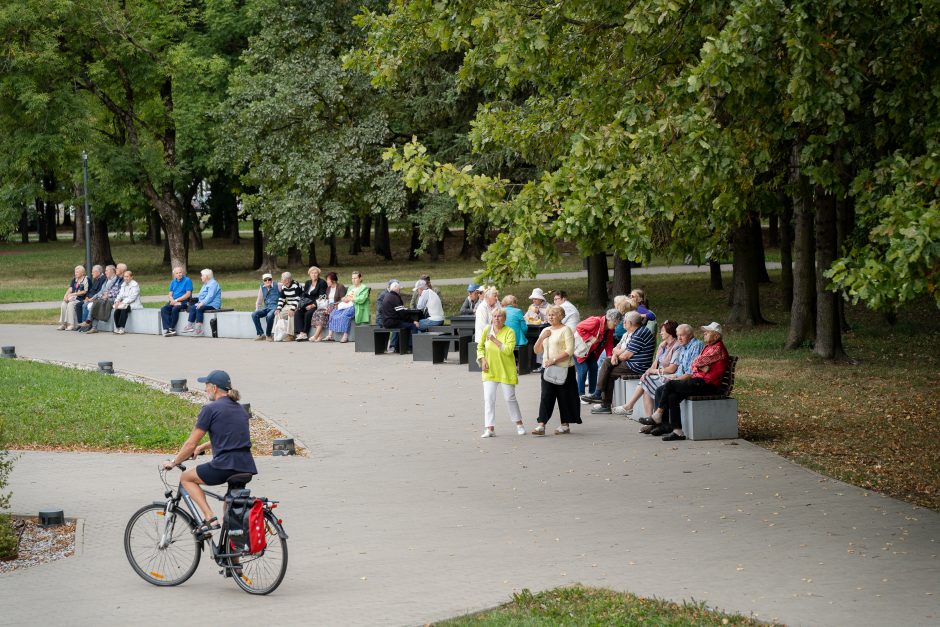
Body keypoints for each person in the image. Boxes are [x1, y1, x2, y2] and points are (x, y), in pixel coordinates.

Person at [160, 370, 257, 538]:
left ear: (213, 388)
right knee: (230, 510)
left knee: (186, 478)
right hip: (245, 466)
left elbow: (190, 443)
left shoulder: (210, 409)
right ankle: (233, 559)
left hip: (225, 465)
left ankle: (209, 517)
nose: (205, 389)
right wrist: (201, 448)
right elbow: (229, 437)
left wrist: (174, 462)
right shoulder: (240, 410)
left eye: (206, 386)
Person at [644, 322, 729, 441]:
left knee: (670, 385)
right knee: (672, 396)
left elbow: (696, 363)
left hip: (707, 384)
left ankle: (658, 414)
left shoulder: (717, 348)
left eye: (707, 332)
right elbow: (695, 363)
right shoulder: (709, 347)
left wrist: (699, 365)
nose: (704, 334)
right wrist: (701, 366)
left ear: (716, 336)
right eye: (705, 332)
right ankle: (677, 431)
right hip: (699, 381)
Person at [584, 311, 655, 414]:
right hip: (631, 363)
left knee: (608, 373)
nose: (623, 323)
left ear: (630, 323)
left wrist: (616, 356)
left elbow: (626, 355)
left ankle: (603, 401)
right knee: (607, 363)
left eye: (625, 321)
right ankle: (600, 396)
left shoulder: (640, 333)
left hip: (637, 366)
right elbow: (617, 348)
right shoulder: (635, 332)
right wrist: (614, 355)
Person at [637, 323, 704, 423]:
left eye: (682, 335)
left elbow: (690, 373)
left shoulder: (696, 346)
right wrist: (672, 377)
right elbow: (679, 370)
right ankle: (658, 423)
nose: (679, 338)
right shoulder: (684, 346)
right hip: (680, 377)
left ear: (690, 335)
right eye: (678, 335)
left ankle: (656, 420)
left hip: (692, 381)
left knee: (664, 389)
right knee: (659, 389)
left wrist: (673, 379)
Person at [531, 305, 580, 435]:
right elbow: (536, 350)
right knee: (546, 396)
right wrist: (542, 337)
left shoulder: (566, 330)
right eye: (549, 315)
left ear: (560, 316)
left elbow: (569, 351)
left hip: (564, 368)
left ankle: (565, 424)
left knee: (564, 397)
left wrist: (553, 360)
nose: (550, 317)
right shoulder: (546, 330)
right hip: (547, 369)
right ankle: (541, 424)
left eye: (553, 314)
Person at [477, 308, 526, 437]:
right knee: (489, 399)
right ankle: (489, 428)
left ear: (504, 319)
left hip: (505, 370)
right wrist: (482, 360)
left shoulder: (509, 331)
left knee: (510, 398)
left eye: (499, 316)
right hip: (490, 370)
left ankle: (519, 424)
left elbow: (509, 350)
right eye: (494, 316)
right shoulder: (487, 329)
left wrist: (494, 340)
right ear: (491, 318)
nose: (497, 319)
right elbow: (480, 347)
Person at [614, 320, 679, 417]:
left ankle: (629, 406)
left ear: (669, 332)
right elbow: (655, 363)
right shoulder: (663, 345)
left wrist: (653, 371)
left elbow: (671, 369)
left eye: (662, 331)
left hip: (669, 375)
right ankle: (648, 420)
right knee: (646, 382)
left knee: (645, 383)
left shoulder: (677, 346)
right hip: (659, 374)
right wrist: (648, 371)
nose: (660, 333)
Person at [574, 309, 623, 399]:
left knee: (594, 368)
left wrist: (609, 356)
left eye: (617, 322)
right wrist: (589, 337)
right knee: (583, 370)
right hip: (579, 350)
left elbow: (609, 343)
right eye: (615, 322)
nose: (616, 325)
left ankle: (592, 393)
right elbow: (579, 327)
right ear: (608, 318)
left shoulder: (610, 329)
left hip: (590, 351)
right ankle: (580, 394)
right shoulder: (596, 321)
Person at [326, 271, 370, 342]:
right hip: (346, 305)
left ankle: (345, 336)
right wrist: (344, 298)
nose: (353, 280)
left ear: (360, 278)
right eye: (352, 278)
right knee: (333, 312)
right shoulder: (351, 287)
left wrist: (351, 299)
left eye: (355, 278)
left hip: (356, 306)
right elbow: (346, 296)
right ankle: (330, 335)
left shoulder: (364, 288)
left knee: (345, 315)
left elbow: (362, 299)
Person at [85, 264, 124, 334]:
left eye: (106, 270)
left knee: (97, 303)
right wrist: (93, 298)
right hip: (106, 298)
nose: (105, 272)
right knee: (96, 303)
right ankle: (91, 324)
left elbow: (118, 291)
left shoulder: (118, 279)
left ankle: (89, 322)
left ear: (112, 271)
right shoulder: (109, 280)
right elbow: (102, 291)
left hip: (113, 299)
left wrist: (107, 295)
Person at [182, 269, 222, 336]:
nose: (201, 277)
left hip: (213, 304)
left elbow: (210, 296)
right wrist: (194, 301)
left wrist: (202, 303)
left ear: (206, 276)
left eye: (202, 275)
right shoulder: (205, 284)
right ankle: (189, 326)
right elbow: (200, 295)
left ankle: (198, 330)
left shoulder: (213, 284)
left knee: (199, 308)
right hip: (205, 303)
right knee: (192, 307)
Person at [309, 272, 345, 342]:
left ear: (333, 280)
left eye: (328, 280)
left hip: (336, 305)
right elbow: (327, 299)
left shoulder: (340, 287)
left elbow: (342, 300)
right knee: (316, 312)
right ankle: (320, 336)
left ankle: (316, 335)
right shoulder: (328, 288)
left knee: (323, 314)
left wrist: (331, 306)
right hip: (328, 305)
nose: (327, 281)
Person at [294, 266, 327, 341]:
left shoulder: (322, 283)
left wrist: (313, 305)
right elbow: (305, 294)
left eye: (316, 273)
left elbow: (322, 297)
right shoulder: (308, 282)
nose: (314, 275)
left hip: (316, 303)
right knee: (298, 312)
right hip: (306, 303)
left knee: (308, 313)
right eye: (312, 273)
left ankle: (305, 332)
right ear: (309, 274)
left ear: (318, 274)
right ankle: (300, 333)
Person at [160, 267, 194, 337]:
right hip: (174, 301)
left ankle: (172, 328)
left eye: (180, 272)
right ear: (174, 275)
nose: (179, 274)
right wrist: (172, 301)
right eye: (177, 273)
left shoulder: (187, 280)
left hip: (184, 301)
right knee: (164, 309)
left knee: (175, 308)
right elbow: (170, 294)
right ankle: (167, 329)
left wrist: (176, 301)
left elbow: (188, 294)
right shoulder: (173, 282)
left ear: (183, 273)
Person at [380, 281, 413, 352]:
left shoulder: (387, 296)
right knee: (412, 326)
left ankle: (398, 347)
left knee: (405, 324)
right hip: (392, 322)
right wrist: (412, 320)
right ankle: (410, 348)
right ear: (397, 289)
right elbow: (401, 313)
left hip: (385, 322)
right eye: (399, 289)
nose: (399, 290)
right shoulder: (395, 298)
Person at [76, 265, 110, 331]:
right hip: (90, 298)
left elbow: (99, 292)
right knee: (79, 305)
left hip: (96, 299)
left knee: (84, 305)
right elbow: (91, 290)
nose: (92, 273)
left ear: (98, 272)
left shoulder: (103, 279)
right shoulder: (96, 279)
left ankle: (87, 325)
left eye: (93, 272)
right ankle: (81, 324)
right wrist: (87, 297)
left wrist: (90, 299)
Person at [57, 265, 89, 331]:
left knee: (70, 304)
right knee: (63, 304)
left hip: (80, 299)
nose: (75, 273)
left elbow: (85, 291)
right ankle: (63, 324)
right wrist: (65, 296)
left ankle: (71, 324)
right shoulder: (74, 280)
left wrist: (74, 294)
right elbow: (70, 289)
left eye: (77, 272)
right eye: (75, 272)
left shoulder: (86, 279)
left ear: (82, 273)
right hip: (72, 298)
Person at [112, 269, 142, 334]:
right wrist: (117, 301)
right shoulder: (123, 284)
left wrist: (123, 302)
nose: (125, 278)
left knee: (124, 309)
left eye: (127, 276)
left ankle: (122, 328)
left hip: (133, 303)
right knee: (117, 310)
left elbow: (132, 297)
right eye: (124, 276)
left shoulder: (135, 285)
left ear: (131, 277)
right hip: (124, 303)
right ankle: (117, 327)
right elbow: (120, 294)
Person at [251, 273, 280, 341]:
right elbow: (259, 299)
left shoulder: (278, 285)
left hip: (275, 307)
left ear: (272, 280)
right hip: (266, 307)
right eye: (265, 280)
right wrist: (257, 309)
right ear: (263, 281)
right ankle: (261, 334)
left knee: (269, 316)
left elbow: (287, 284)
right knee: (254, 314)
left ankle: (268, 335)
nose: (267, 281)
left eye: (269, 279)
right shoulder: (262, 287)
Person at [275, 272, 302, 341]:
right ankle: (276, 333)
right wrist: (278, 309)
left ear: (287, 280)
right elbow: (281, 298)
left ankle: (291, 335)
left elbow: (298, 298)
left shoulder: (296, 285)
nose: (281, 280)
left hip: (298, 305)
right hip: (289, 305)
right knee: (278, 314)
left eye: (282, 279)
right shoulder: (284, 286)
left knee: (291, 314)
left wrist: (292, 309)